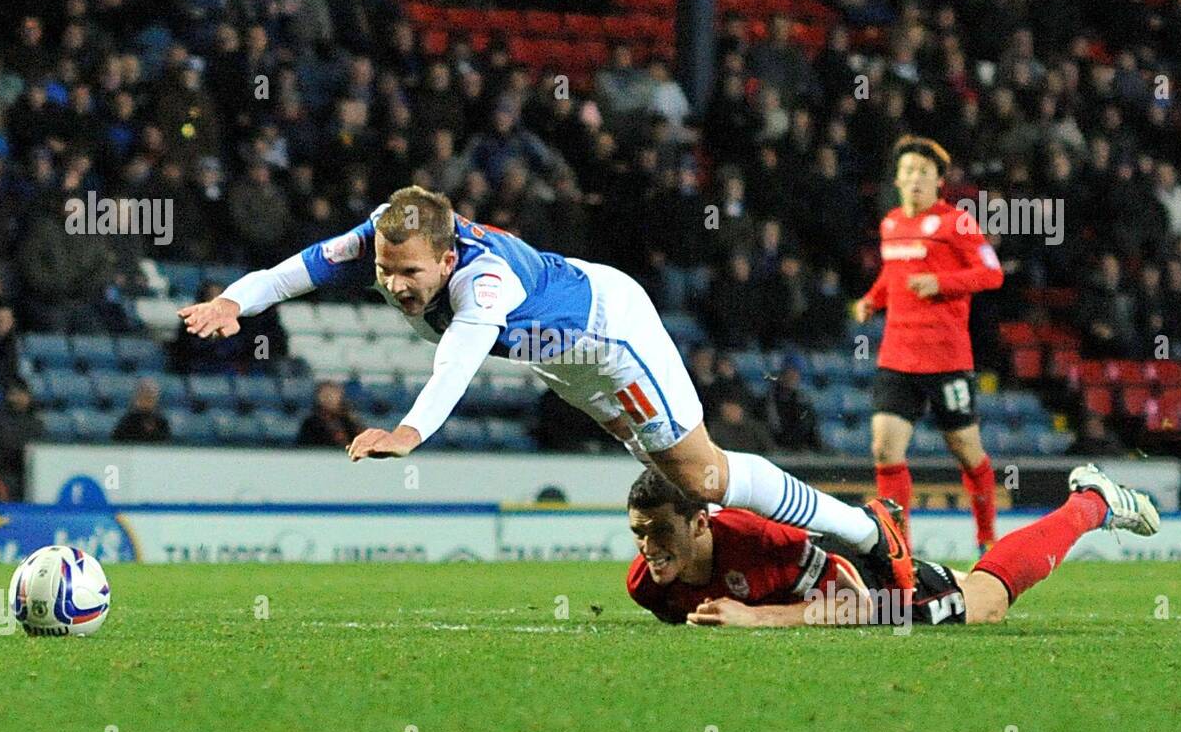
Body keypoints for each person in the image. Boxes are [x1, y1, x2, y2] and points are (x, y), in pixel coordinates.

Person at [179, 184, 916, 593]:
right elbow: (294, 270)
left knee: (704, 473)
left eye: (411, 275)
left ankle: (864, 529)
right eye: (384, 273)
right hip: (558, 357)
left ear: (445, 257)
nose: (396, 286)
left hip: (610, 337)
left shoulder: (484, 282)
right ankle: (808, 555)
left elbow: (459, 359)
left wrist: (409, 432)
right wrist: (233, 304)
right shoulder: (384, 232)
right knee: (675, 477)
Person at [626, 464, 1159, 628]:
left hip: (863, 574)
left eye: (660, 532)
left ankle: (1092, 502)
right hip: (817, 587)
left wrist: (761, 619)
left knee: (987, 602)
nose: (648, 548)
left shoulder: (761, 540)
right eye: (639, 533)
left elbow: (860, 605)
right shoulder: (646, 586)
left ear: (700, 523)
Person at [854, 136, 1004, 552]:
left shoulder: (957, 222)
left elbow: (992, 274)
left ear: (939, 181)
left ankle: (987, 537)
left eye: (924, 172)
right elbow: (894, 275)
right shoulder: (890, 224)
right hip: (897, 357)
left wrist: (942, 283)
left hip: (946, 359)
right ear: (898, 180)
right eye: (909, 172)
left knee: (966, 450)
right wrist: (873, 299)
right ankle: (899, 547)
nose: (915, 179)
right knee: (884, 448)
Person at [297, 381, 363, 447]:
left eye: (334, 395)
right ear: (318, 398)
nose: (330, 399)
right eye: (326, 395)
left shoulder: (348, 420)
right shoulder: (310, 423)